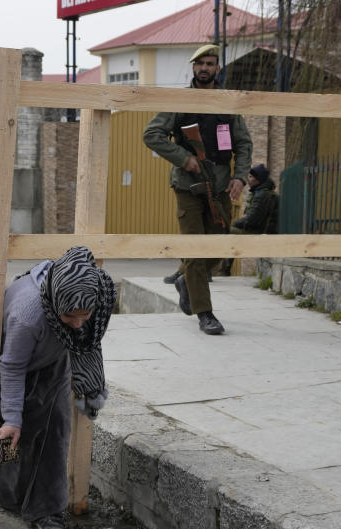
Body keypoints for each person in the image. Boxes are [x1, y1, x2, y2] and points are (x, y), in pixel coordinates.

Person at [0, 246, 116, 529]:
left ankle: (48, 511)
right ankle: (6, 495)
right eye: (70, 316)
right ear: (56, 302)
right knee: (12, 436)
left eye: (85, 315)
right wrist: (12, 417)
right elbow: (12, 366)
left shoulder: (97, 293)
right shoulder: (28, 314)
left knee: (56, 433)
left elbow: (87, 341)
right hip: (11, 365)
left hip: (54, 362)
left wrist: (89, 383)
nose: (78, 324)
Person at [143, 44, 252, 335]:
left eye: (211, 63)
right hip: (188, 186)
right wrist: (184, 158)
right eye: (200, 63)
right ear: (193, 68)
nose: (205, 68)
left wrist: (240, 177)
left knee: (219, 246)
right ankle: (205, 313)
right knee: (194, 246)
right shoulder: (180, 100)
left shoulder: (228, 103)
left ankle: (185, 279)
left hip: (219, 186)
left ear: (218, 68)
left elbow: (242, 143)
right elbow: (151, 134)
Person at [219, 163, 279, 275]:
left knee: (228, 231)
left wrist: (236, 223)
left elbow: (252, 219)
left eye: (251, 177)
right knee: (229, 232)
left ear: (258, 180)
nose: (248, 179)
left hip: (260, 233)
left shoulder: (262, 195)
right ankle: (223, 269)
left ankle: (222, 270)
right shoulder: (261, 192)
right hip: (259, 230)